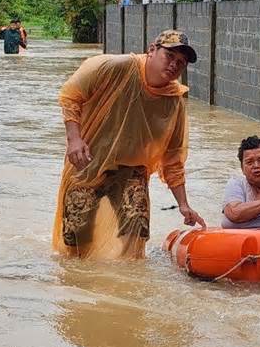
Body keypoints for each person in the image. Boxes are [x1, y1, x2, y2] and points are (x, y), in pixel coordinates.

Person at [52, 29, 206, 260]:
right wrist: (74, 138)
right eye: (170, 57)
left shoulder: (174, 101)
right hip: (87, 162)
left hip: (131, 170)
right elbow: (71, 95)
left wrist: (183, 205)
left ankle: (128, 284)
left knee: (136, 233)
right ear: (152, 50)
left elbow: (173, 158)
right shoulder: (114, 67)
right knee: (75, 241)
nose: (175, 65)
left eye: (181, 63)